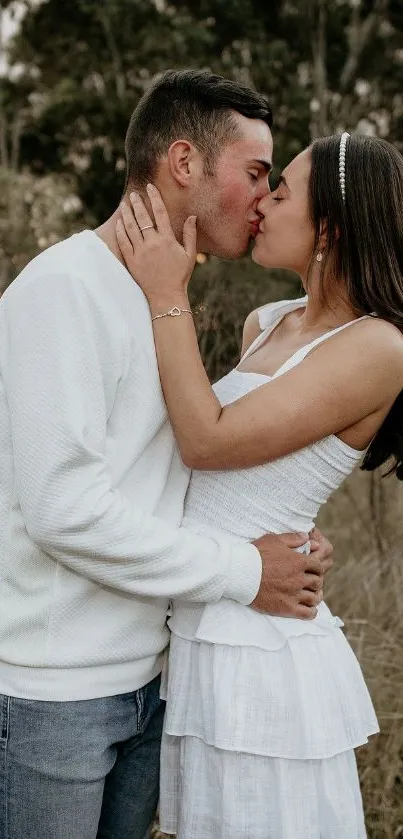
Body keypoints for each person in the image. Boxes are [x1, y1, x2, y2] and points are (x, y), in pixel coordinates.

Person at [0, 70, 333, 839]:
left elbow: (170, 466)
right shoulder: (62, 289)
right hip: (55, 700)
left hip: (151, 686)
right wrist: (249, 570)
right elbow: (65, 510)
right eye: (255, 173)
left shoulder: (162, 297)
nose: (263, 198)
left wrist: (289, 533)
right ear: (183, 163)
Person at [116, 130, 403, 838]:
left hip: (260, 649)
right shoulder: (264, 322)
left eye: (280, 193)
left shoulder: (378, 346)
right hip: (205, 616)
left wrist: (166, 291)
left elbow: (207, 439)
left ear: (328, 227)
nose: (261, 206)